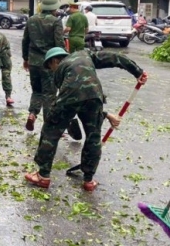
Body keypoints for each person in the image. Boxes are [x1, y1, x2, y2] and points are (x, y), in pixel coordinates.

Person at [24, 47, 148, 191]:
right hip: (95, 96)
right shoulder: (85, 54)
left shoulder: (60, 71)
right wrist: (138, 72)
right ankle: (88, 180)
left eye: (50, 66)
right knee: (93, 136)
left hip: (71, 96)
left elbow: (70, 98)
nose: (51, 70)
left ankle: (43, 175)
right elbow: (113, 57)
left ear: (55, 61)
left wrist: (59, 120)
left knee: (50, 131)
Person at [22, 0, 65, 132]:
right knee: (50, 95)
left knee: (37, 91)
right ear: (54, 7)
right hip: (50, 63)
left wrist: (25, 59)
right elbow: (59, 43)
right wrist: (63, 61)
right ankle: (49, 125)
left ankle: (32, 114)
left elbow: (25, 41)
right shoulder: (56, 21)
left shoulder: (31, 20)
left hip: (33, 62)